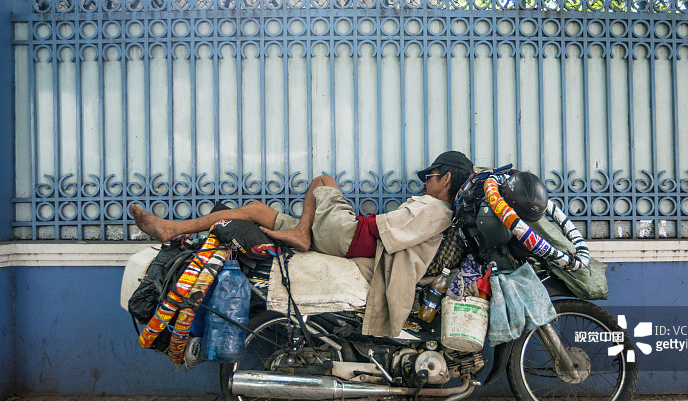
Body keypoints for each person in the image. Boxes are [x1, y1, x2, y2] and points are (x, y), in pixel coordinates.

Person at [130, 151, 473, 337]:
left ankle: (301, 233)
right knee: (255, 211)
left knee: (322, 180)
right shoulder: (436, 210)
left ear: (444, 178)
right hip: (349, 235)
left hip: (350, 235)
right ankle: (171, 229)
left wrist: (347, 217)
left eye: (429, 177)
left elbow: (380, 230)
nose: (425, 183)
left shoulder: (435, 209)